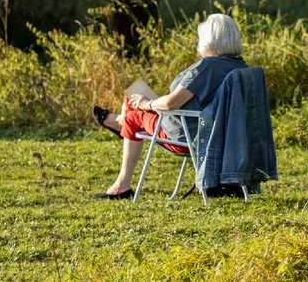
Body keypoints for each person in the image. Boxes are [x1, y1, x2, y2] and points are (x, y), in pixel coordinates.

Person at [90, 13, 248, 199]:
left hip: (188, 136)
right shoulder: (241, 67)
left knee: (133, 115)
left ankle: (121, 184)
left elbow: (172, 102)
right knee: (131, 99)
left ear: (208, 39)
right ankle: (120, 122)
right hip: (218, 135)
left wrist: (148, 103)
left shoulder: (207, 67)